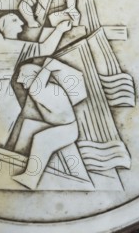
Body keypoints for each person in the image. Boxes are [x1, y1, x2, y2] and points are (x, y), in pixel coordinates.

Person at [0, 13, 72, 147]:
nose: (21, 23)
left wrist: (59, 30)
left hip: (4, 82)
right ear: (6, 25)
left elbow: (46, 48)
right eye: (15, 20)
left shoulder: (23, 46)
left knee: (12, 111)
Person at [12, 59, 87, 190]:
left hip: (67, 130)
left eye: (22, 74)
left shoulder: (40, 91)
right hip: (59, 126)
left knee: (41, 140)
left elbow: (37, 87)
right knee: (28, 126)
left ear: (35, 76)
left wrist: (47, 68)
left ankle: (30, 179)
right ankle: (17, 162)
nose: (19, 80)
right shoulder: (43, 89)